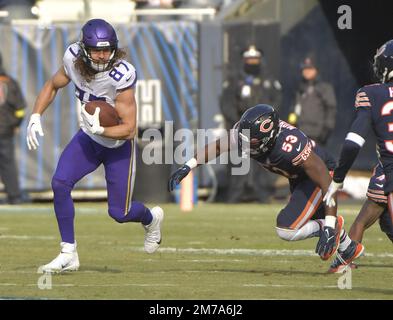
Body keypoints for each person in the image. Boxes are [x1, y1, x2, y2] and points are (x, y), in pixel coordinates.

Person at [26, 19, 164, 273]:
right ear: (84, 48)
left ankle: (151, 218)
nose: (101, 56)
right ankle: (68, 252)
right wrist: (36, 115)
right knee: (60, 183)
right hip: (89, 139)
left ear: (114, 48)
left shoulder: (121, 75)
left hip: (118, 145)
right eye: (96, 50)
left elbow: (130, 129)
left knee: (119, 213)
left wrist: (101, 129)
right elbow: (53, 85)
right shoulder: (72, 58)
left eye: (106, 50)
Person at [168, 104, 363, 267]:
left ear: (268, 137)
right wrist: (189, 166)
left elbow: (327, 184)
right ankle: (348, 250)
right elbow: (219, 146)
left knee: (287, 228)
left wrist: (328, 225)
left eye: (251, 141)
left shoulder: (290, 146)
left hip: (320, 176)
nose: (245, 145)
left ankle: (332, 226)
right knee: (323, 246)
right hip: (298, 177)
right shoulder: (246, 134)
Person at [324, 39, 393, 272]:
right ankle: (345, 260)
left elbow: (353, 143)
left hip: (389, 169)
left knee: (369, 216)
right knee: (379, 215)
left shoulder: (372, 94)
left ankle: (345, 260)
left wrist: (338, 178)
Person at [220, 45, 282, 203]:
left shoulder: (269, 80)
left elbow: (277, 101)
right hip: (241, 129)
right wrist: (238, 122)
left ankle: (263, 195)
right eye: (249, 59)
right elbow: (226, 103)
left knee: (263, 163)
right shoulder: (235, 80)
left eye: (255, 59)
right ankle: (235, 195)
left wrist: (267, 122)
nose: (252, 62)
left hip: (263, 130)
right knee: (238, 162)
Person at [327, 163, 393, 273]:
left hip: (386, 172)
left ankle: (344, 262)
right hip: (386, 171)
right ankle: (345, 262)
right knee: (386, 221)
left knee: (362, 221)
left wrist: (338, 177)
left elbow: (352, 147)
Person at [288, 55, 336, 147]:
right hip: (299, 133)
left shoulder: (324, 88)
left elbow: (331, 110)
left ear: (316, 70)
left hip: (317, 134)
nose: (307, 71)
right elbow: (293, 109)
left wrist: (326, 131)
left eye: (310, 69)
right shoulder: (299, 88)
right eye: (305, 69)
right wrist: (291, 125)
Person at [0, 52, 27, 204]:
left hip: (5, 130)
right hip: (5, 130)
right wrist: (16, 123)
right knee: (8, 164)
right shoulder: (10, 82)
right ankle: (14, 196)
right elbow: (20, 108)